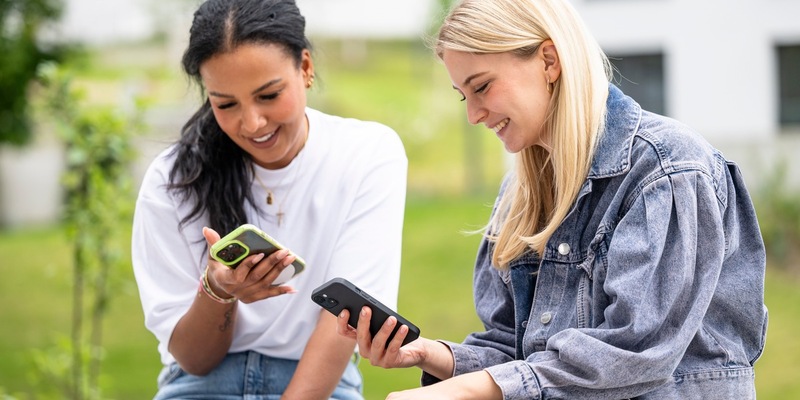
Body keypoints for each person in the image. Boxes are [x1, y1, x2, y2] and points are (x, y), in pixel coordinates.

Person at [336, 0, 768, 398]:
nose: (472, 115)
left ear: (548, 60)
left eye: (482, 86)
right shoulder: (520, 197)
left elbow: (637, 349)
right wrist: (432, 355)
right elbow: (521, 350)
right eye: (463, 96)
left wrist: (469, 391)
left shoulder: (668, 170)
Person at [130, 0, 408, 398]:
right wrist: (218, 289)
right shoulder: (174, 179)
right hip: (201, 384)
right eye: (225, 104)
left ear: (306, 68)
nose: (252, 123)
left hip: (320, 383)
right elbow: (193, 359)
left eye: (269, 95)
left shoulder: (367, 153)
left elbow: (341, 324)